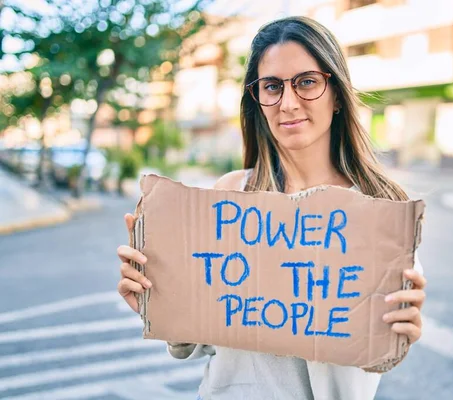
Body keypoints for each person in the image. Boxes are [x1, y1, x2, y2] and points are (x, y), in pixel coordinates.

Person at [117, 16, 427, 400]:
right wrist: (158, 302)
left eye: (307, 82)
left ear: (336, 94)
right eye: (272, 87)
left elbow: (371, 356)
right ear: (258, 99)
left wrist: (398, 337)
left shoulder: (383, 210)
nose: (288, 102)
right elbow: (201, 336)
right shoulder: (230, 195)